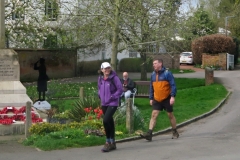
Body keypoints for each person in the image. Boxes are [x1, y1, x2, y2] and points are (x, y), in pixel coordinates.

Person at [140, 58, 179, 141]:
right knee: (154, 115)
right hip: (157, 98)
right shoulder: (153, 74)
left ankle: (174, 131)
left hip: (167, 98)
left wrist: (172, 96)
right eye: (153, 63)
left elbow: (173, 85)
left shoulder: (167, 73)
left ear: (160, 64)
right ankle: (149, 134)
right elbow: (151, 86)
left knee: (170, 115)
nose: (153, 65)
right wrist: (151, 98)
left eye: (155, 63)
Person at [98, 62, 123, 152]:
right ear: (102, 70)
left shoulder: (114, 78)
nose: (107, 70)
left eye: (108, 68)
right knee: (110, 122)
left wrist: (112, 96)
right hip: (104, 103)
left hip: (112, 103)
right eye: (105, 68)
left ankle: (108, 142)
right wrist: (99, 95)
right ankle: (113, 143)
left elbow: (120, 89)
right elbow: (99, 88)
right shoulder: (100, 78)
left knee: (105, 120)